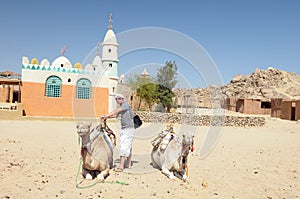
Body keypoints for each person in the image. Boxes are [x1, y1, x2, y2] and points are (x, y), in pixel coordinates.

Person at [101, 93, 135, 172]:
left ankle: (121, 166)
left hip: (128, 129)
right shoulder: (123, 107)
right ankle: (128, 164)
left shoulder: (125, 105)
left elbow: (116, 111)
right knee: (128, 146)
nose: (117, 100)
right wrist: (106, 117)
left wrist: (106, 115)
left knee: (123, 146)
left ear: (123, 99)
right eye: (116, 99)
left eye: (119, 99)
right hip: (127, 129)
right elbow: (115, 115)